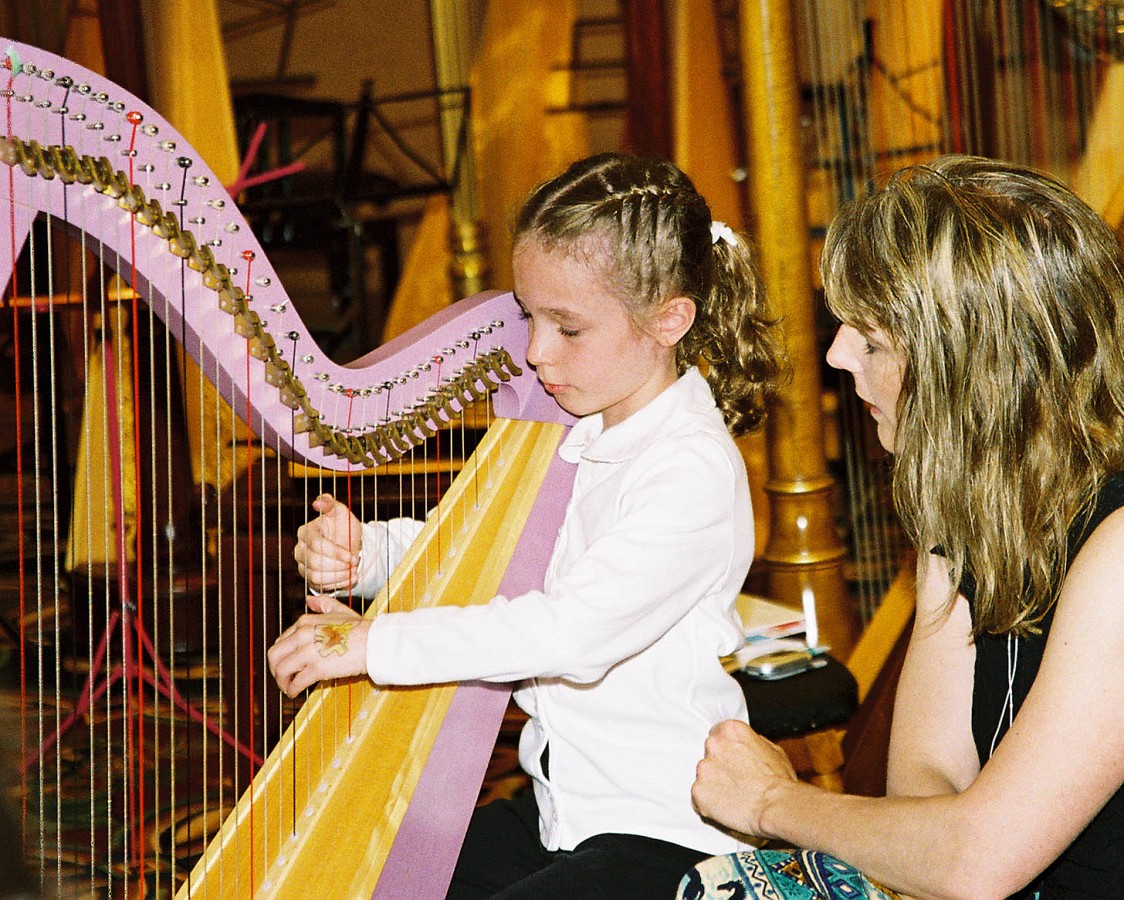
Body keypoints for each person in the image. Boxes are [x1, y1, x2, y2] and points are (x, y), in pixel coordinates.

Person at [267, 152, 785, 898]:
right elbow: (503, 556)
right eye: (529, 318)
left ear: (670, 319)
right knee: (376, 873)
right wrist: (370, 551)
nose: (536, 353)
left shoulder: (688, 472)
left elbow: (563, 632)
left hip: (665, 831)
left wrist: (368, 642)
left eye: (567, 328)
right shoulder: (581, 427)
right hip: (560, 811)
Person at [681, 155, 1124, 899]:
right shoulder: (958, 512)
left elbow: (977, 861)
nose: (836, 355)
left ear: (973, 362)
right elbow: (928, 783)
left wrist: (773, 801)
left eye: (873, 338)